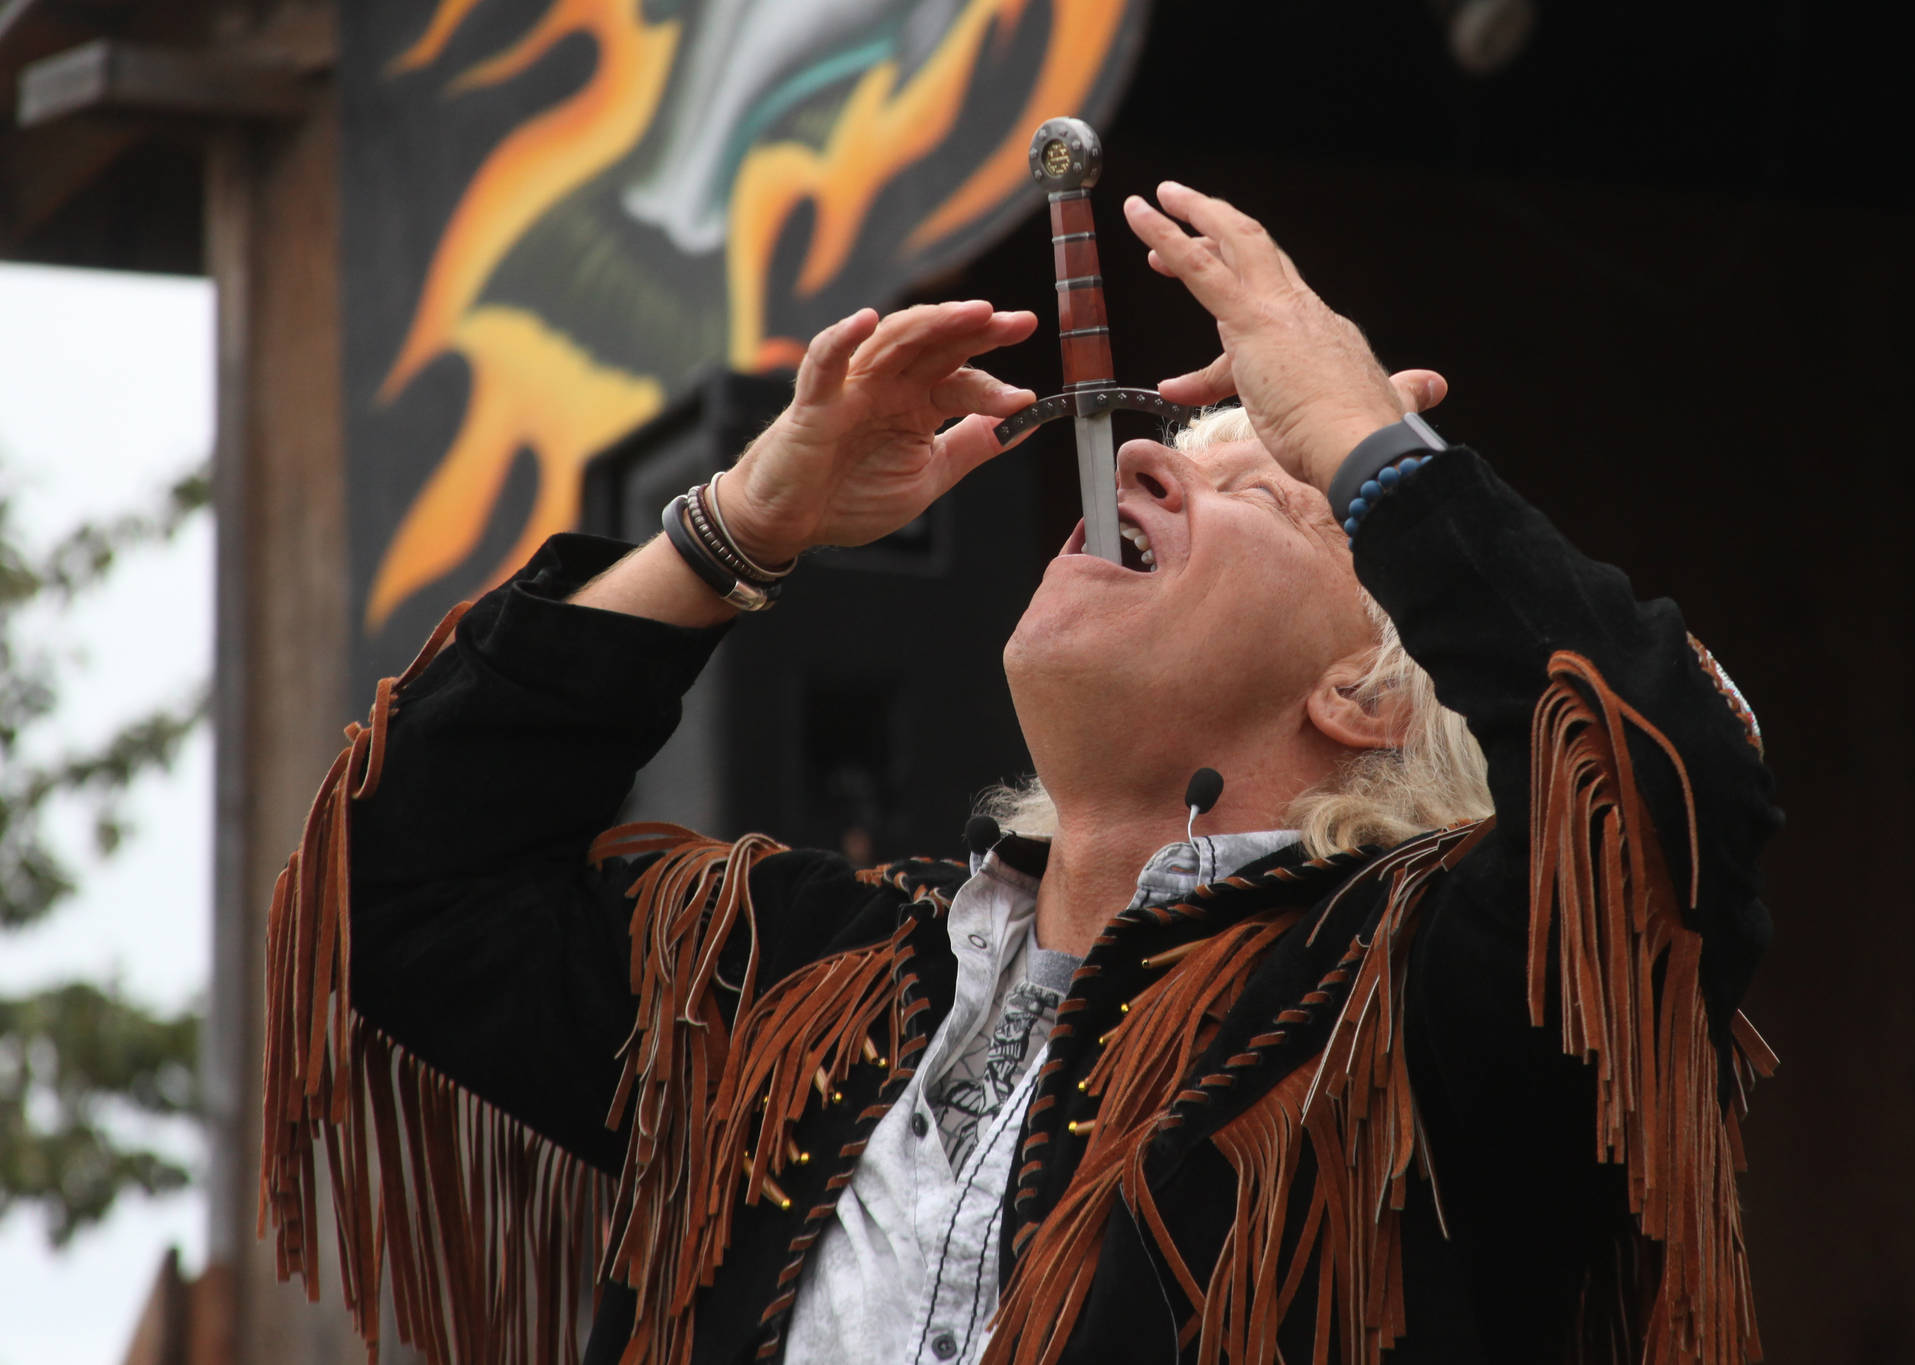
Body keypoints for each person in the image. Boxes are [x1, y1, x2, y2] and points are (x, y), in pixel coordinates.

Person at [260, 183, 1779, 1365]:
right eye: (1180, 458)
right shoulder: (803, 987)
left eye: (1269, 495)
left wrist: (1361, 445)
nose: (1140, 462)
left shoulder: (1423, 994)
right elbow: (399, 878)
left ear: (1365, 697)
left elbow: (1656, 792)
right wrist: (741, 523)